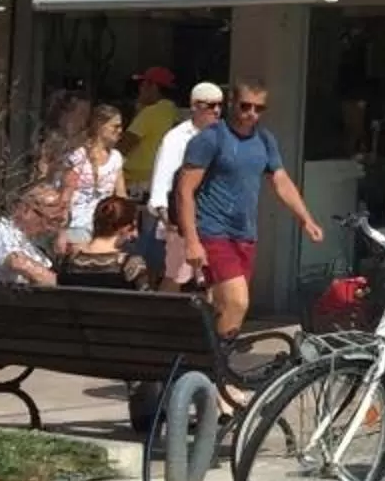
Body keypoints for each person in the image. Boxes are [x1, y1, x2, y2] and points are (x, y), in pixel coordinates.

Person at [172, 82, 325, 362]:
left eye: (259, 108)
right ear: (232, 103)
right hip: (213, 230)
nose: (251, 113)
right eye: (245, 106)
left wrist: (306, 218)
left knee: (221, 307)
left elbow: (280, 180)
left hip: (245, 234)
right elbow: (184, 190)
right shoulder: (211, 138)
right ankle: (219, 372)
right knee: (238, 302)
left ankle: (200, 365)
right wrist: (192, 240)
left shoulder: (265, 140)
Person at [143, 82, 220, 287]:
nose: (217, 110)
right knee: (175, 279)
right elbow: (162, 182)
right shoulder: (176, 138)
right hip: (181, 223)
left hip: (213, 222)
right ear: (194, 106)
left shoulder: (223, 136)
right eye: (210, 105)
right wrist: (169, 220)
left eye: (220, 105)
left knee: (213, 281)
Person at [58, 103, 127, 253]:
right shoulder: (78, 155)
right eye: (115, 126)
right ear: (100, 126)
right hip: (77, 225)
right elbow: (66, 195)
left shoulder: (116, 158)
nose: (120, 131)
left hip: (105, 229)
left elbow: (121, 196)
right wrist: (61, 231)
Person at [57, 195, 153, 288]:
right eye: (132, 228)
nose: (135, 234)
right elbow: (146, 300)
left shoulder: (69, 262)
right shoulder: (131, 265)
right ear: (123, 228)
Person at [0, 187, 62, 287]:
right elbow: (17, 262)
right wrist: (59, 283)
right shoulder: (4, 235)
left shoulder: (31, 241)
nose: (51, 228)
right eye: (50, 221)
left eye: (58, 222)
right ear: (26, 210)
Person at [120, 68, 180, 204]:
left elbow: (123, 146)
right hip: (159, 179)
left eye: (143, 84)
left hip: (137, 183)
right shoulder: (173, 111)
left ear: (153, 86)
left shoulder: (150, 113)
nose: (140, 89)